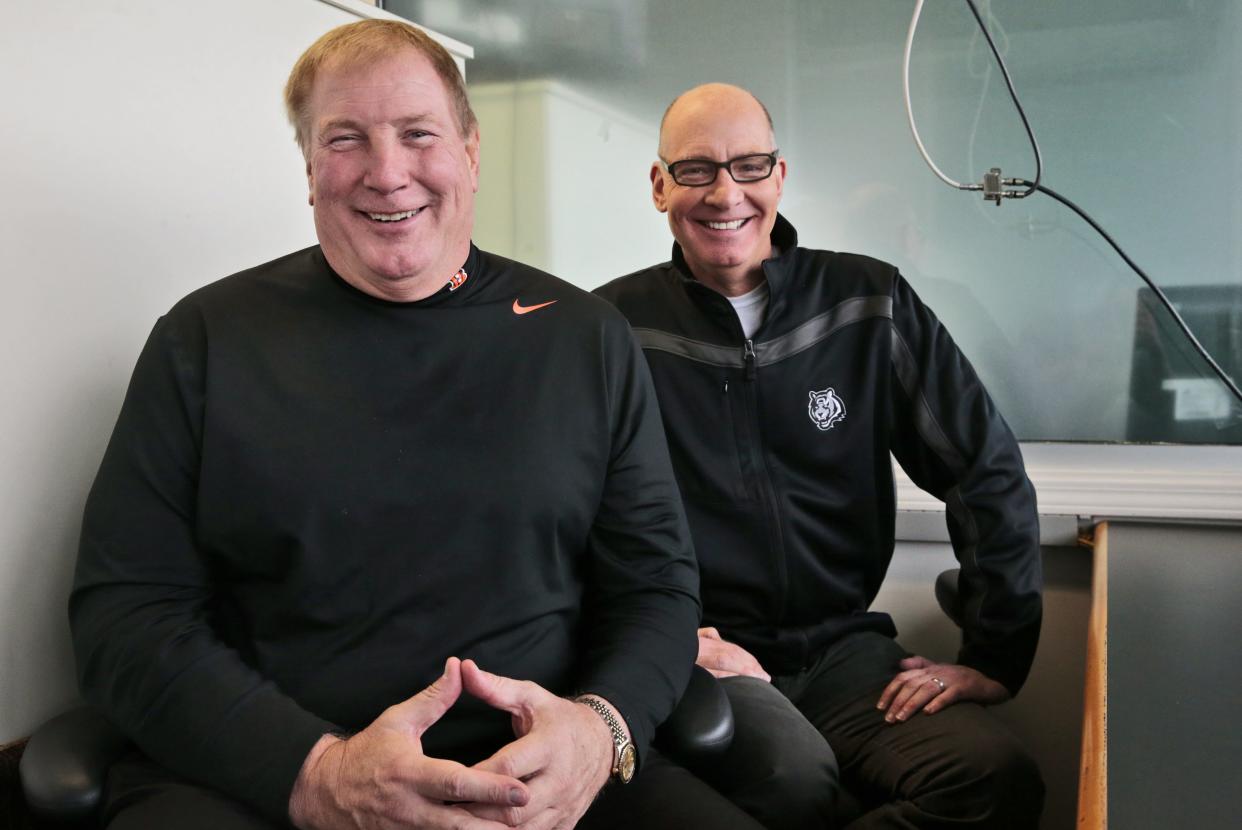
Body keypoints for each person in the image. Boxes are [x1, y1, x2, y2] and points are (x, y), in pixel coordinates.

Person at [70, 25, 770, 830]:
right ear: (308, 169)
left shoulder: (585, 339)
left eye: (418, 134)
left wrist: (598, 729)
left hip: (540, 772)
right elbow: (124, 618)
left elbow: (656, 587)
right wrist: (318, 773)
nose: (388, 172)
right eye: (346, 139)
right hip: (276, 777)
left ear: (471, 153)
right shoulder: (204, 341)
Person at [594, 83, 1046, 828]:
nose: (724, 193)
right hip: (701, 658)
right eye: (697, 169)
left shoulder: (869, 302)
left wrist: (996, 659)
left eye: (747, 166)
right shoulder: (609, 328)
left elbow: (985, 470)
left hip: (846, 657)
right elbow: (566, 521)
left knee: (995, 780)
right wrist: (664, 641)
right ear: (659, 185)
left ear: (779, 176)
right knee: (793, 791)